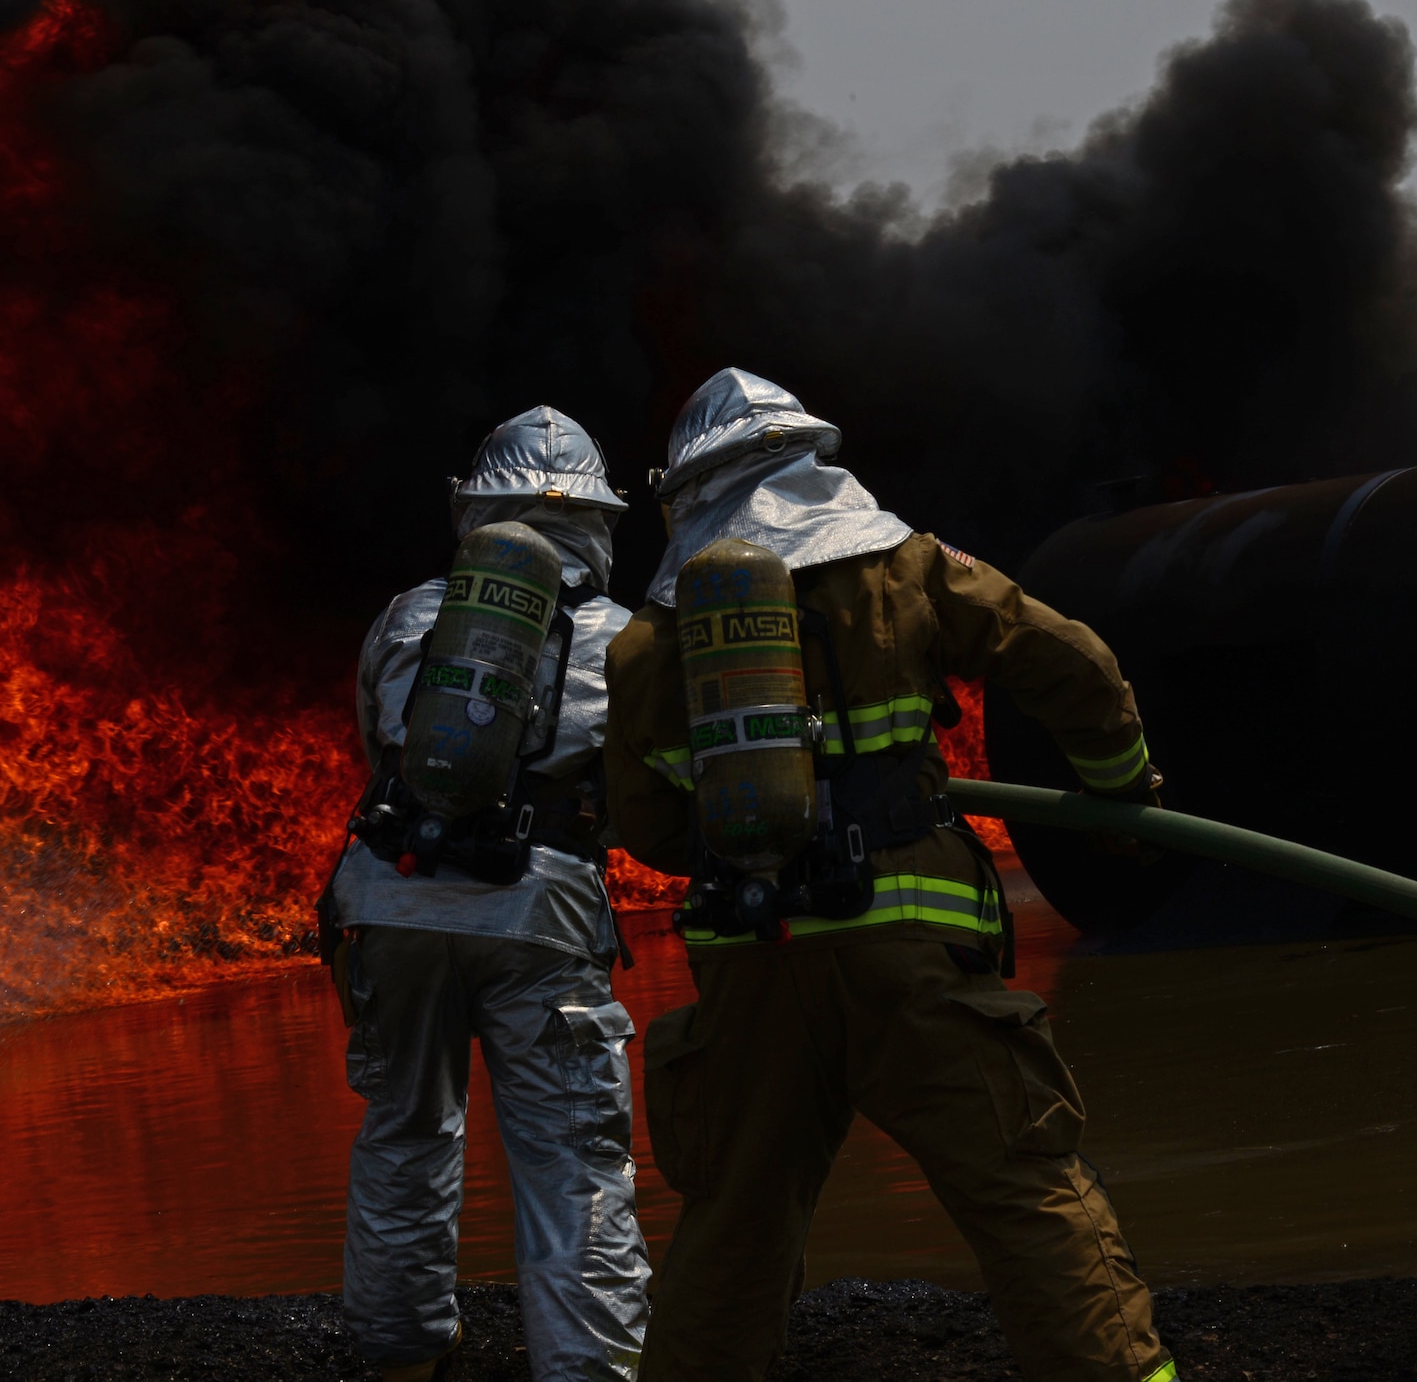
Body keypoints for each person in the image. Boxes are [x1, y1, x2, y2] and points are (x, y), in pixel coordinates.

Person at [605, 368, 1176, 1382]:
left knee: (730, 1231)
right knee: (1023, 1194)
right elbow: (1073, 665)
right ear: (805, 459)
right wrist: (1121, 792)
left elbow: (644, 825)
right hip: (908, 961)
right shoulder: (903, 568)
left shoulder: (652, 641)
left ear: (685, 491)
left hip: (752, 963)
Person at [322, 406, 650, 1382]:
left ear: (472, 511)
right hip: (539, 912)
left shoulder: (406, 616)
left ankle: (401, 1351)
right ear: (596, 520)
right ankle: (583, 1369)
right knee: (569, 1163)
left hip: (388, 897)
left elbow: (378, 753)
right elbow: (638, 800)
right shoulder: (624, 639)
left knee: (404, 1129)